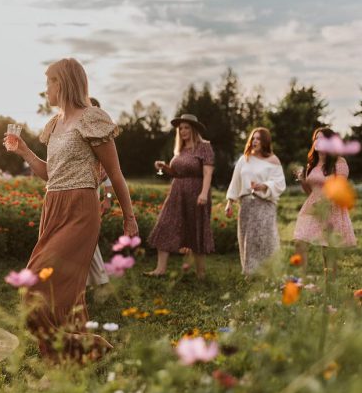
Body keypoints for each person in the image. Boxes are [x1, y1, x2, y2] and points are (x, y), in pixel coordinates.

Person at [4, 58, 138, 361]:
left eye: (49, 81)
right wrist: (24, 150)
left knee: (36, 286)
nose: (45, 89)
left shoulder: (92, 118)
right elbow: (51, 173)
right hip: (53, 206)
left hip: (80, 208)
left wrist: (129, 218)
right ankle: (73, 353)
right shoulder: (54, 124)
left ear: (63, 83)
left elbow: (115, 173)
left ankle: (71, 351)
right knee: (61, 293)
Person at [146, 114, 215, 277]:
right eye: (180, 128)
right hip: (177, 192)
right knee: (165, 224)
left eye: (186, 127)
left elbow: (207, 172)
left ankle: (201, 272)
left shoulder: (204, 147)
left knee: (195, 229)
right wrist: (164, 166)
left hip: (197, 192)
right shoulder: (180, 150)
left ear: (193, 129)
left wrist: (204, 193)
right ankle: (160, 270)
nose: (183, 131)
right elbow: (176, 173)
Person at [293, 127, 356, 270]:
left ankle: (331, 289)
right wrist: (302, 180)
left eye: (322, 139)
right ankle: (301, 280)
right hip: (312, 207)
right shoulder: (312, 164)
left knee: (327, 251)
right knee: (299, 241)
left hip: (330, 208)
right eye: (316, 138)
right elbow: (309, 192)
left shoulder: (339, 163)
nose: (318, 141)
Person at [225, 127, 286, 274]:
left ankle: (270, 271)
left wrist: (264, 185)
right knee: (247, 239)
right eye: (253, 138)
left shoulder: (273, 160)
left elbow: (280, 183)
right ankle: (250, 273)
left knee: (266, 239)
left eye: (258, 138)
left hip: (265, 204)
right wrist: (229, 203)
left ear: (265, 141)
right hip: (246, 204)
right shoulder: (244, 159)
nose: (255, 141)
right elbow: (235, 181)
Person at [87, 96, 113, 288]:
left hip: (91, 193)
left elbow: (111, 174)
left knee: (87, 236)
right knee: (85, 237)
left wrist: (108, 198)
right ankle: (97, 279)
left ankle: (99, 279)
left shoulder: (102, 137)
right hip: (75, 190)